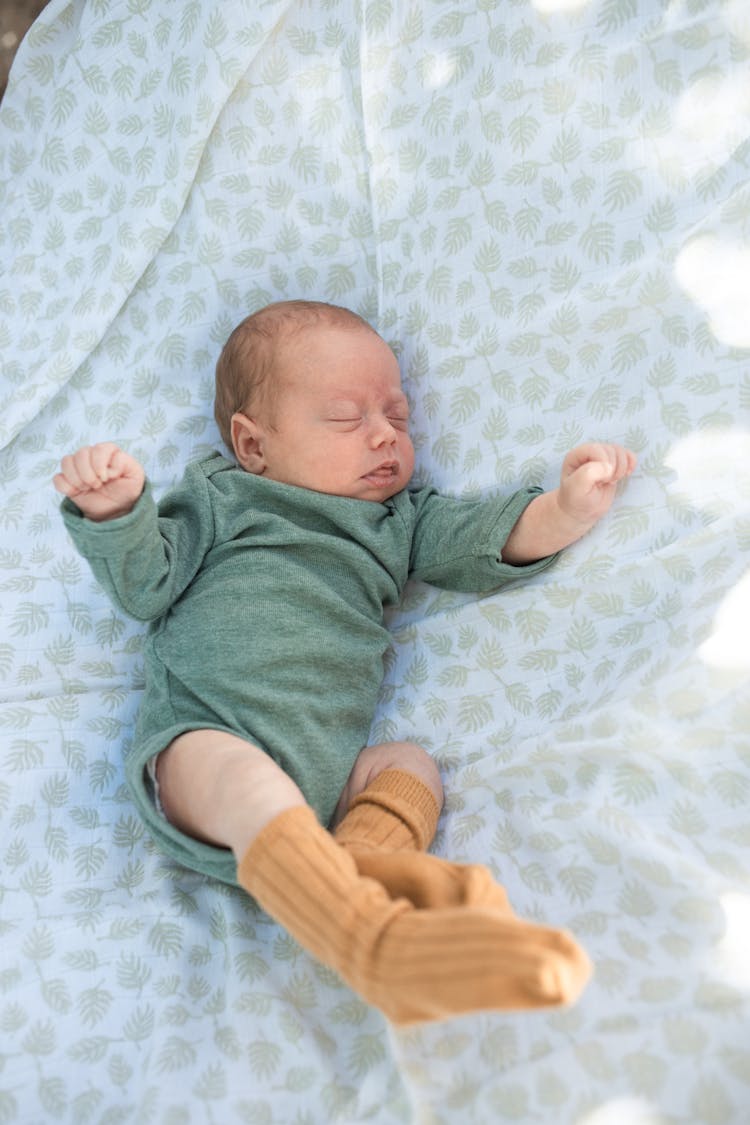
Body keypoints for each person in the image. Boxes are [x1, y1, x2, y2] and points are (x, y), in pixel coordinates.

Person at [54, 299, 636, 1026]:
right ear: (254, 444)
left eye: (398, 417)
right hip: (201, 744)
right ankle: (367, 934)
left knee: (411, 764)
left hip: (325, 783)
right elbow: (145, 585)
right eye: (345, 418)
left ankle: (362, 860)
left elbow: (486, 541)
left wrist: (566, 510)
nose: (384, 436)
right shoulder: (223, 497)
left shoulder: (399, 521)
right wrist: (117, 514)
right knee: (240, 772)